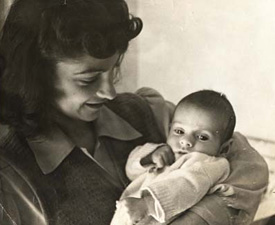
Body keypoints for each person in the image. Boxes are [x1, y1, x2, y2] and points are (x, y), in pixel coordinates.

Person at [0, 0, 268, 225]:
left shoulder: (145, 111)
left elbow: (250, 166)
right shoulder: (12, 173)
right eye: (88, 79)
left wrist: (198, 218)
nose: (110, 92)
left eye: (114, 69)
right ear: (37, 76)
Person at [111, 90, 235, 225]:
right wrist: (148, 157)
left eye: (202, 137)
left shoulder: (208, 163)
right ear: (169, 130)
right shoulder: (164, 153)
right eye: (179, 131)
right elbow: (131, 172)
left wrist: (147, 204)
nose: (186, 141)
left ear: (224, 148)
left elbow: (187, 185)